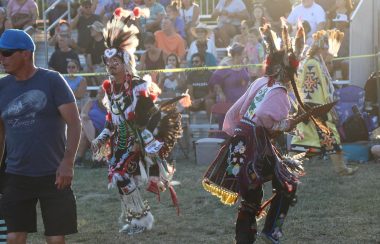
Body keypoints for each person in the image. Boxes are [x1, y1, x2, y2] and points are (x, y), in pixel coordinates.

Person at [203, 23, 308, 244]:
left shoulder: (260, 82)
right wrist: (284, 125)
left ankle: (245, 240)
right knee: (287, 184)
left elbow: (240, 111)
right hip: (255, 145)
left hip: (240, 140)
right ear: (287, 71)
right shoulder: (280, 92)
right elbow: (263, 116)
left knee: (250, 199)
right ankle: (272, 231)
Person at [91, 8, 189, 235]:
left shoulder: (137, 87)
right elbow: (111, 120)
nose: (111, 65)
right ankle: (135, 219)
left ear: (125, 62)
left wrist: (143, 145)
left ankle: (141, 219)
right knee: (124, 179)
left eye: (115, 61)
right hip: (120, 142)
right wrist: (101, 138)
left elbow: (152, 116)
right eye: (108, 62)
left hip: (138, 141)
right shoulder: (110, 89)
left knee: (122, 176)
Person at [0, 29, 81, 243]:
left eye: (6, 53)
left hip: (53, 175)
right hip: (16, 175)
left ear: (25, 54)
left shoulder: (52, 80)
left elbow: (74, 123)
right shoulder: (1, 86)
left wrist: (68, 162)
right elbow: (0, 131)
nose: (1, 58)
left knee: (55, 239)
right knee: (14, 237)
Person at [290, 29, 358, 176]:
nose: (328, 53)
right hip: (314, 108)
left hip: (317, 108)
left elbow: (322, 87)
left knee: (327, 138)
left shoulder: (316, 63)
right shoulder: (312, 64)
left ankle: (341, 168)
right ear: (320, 49)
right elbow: (310, 89)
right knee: (306, 140)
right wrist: (322, 108)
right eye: (325, 50)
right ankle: (289, 169)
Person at [76, 87, 107, 167]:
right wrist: (85, 116)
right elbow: (83, 113)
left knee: (84, 135)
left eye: (103, 93)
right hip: (90, 128)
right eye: (99, 93)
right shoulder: (92, 102)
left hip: (103, 130)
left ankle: (79, 160)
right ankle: (96, 157)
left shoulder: (110, 104)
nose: (100, 95)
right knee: (85, 125)